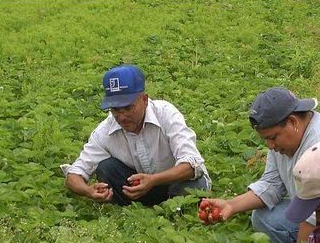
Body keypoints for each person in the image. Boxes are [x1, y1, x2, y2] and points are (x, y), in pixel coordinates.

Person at [200, 87, 320, 243]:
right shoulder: (284, 140)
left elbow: (314, 215)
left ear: (292, 122)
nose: (270, 146)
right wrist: (230, 205)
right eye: (266, 139)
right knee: (265, 218)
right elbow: (272, 184)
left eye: (273, 137)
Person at [61, 64, 211, 206]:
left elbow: (192, 165)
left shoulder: (166, 114)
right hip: (141, 188)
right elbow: (74, 174)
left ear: (144, 100)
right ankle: (142, 208)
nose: (121, 116)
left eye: (128, 108)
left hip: (176, 181)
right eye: (115, 110)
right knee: (107, 168)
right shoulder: (105, 131)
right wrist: (88, 190)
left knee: (191, 186)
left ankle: (173, 209)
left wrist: (153, 180)